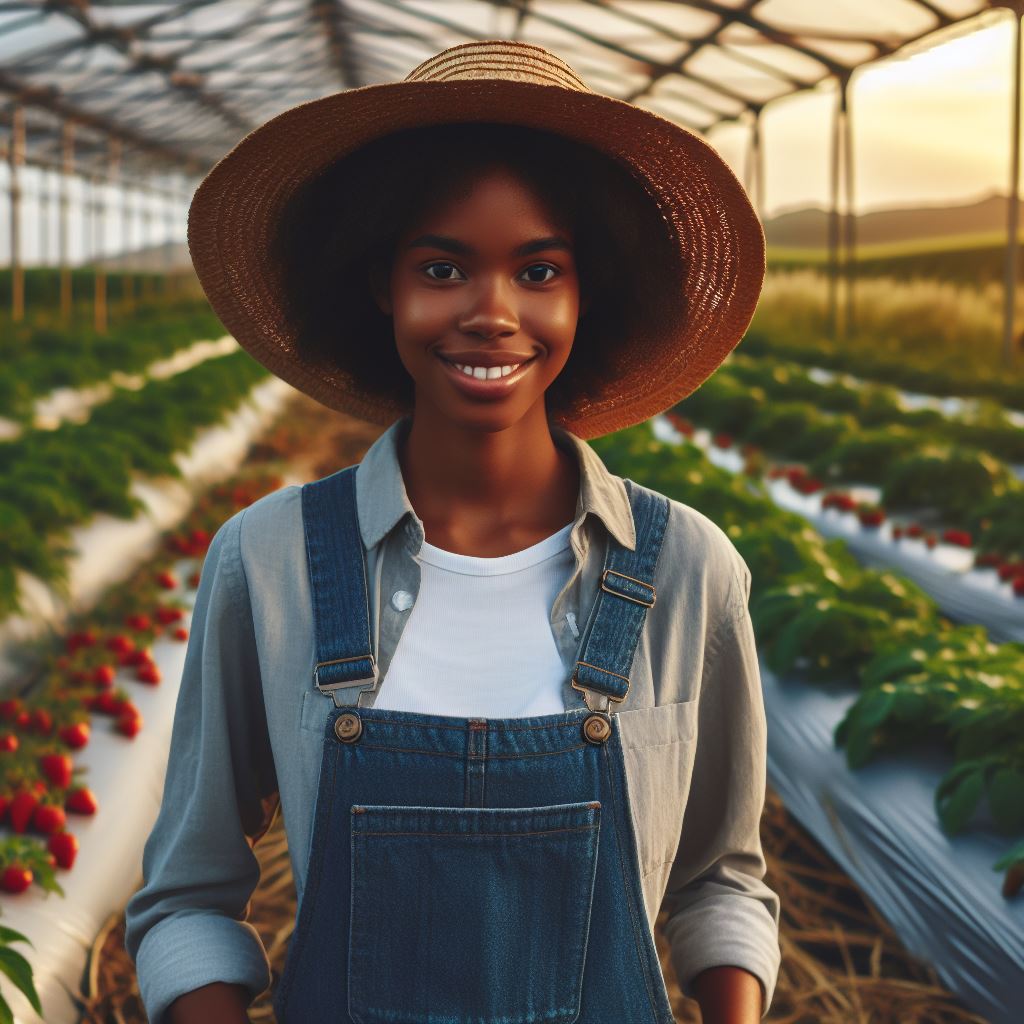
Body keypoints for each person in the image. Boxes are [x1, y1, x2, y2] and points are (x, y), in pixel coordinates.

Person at [124, 39, 782, 1024]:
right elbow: (187, 891)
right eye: (442, 266)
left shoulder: (685, 569)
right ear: (380, 283)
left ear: (585, 291)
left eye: (538, 270)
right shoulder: (268, 564)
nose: (491, 311)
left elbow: (720, 881)